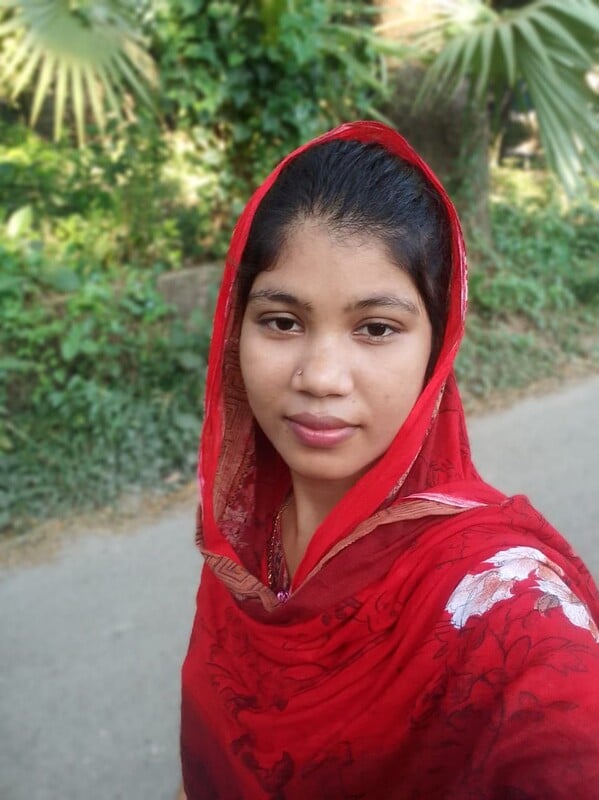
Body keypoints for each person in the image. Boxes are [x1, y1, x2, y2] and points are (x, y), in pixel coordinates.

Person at [179, 121, 599, 799]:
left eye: (375, 328)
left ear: (438, 347)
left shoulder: (505, 606)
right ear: (236, 329)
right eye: (282, 322)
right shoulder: (243, 546)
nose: (320, 377)